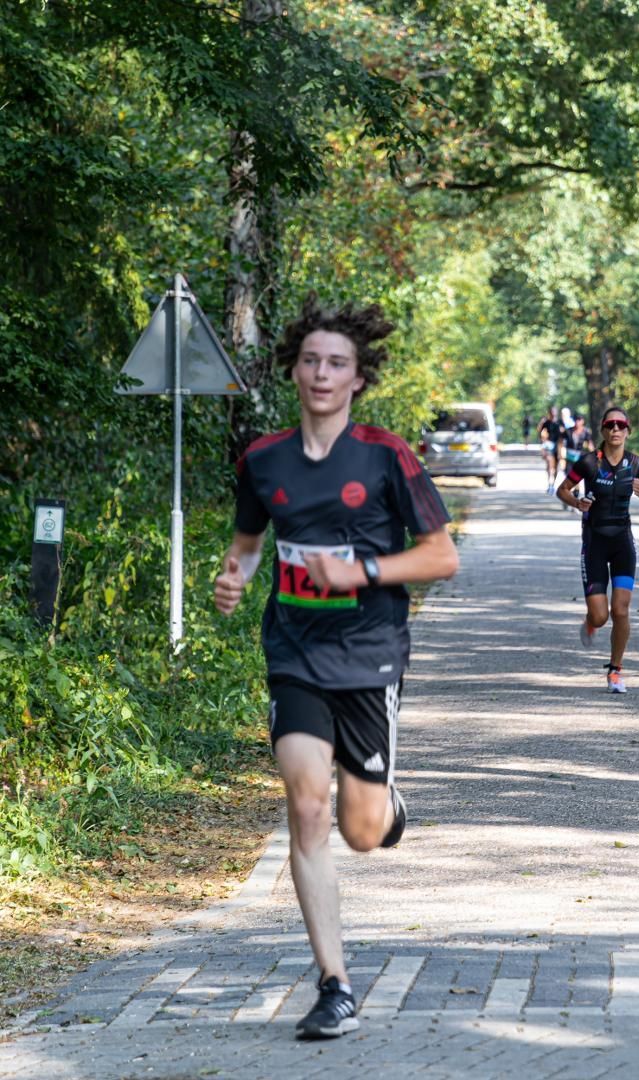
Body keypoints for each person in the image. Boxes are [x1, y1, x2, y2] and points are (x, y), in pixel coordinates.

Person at [214, 295, 459, 1040]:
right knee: (306, 808)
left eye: (337, 364)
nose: (322, 373)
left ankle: (384, 805)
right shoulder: (264, 459)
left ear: (357, 379)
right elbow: (248, 543)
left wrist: (363, 571)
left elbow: (441, 556)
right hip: (294, 652)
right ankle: (335, 984)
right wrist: (233, 576)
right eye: (311, 361)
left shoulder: (385, 456)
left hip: (369, 654)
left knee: (361, 830)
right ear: (294, 370)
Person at [556, 406, 639, 693]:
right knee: (601, 616)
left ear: (628, 431)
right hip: (594, 544)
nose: (615, 429)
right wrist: (577, 503)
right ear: (603, 429)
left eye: (621, 425)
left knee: (621, 610)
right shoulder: (589, 462)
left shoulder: (637, 464)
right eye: (610, 425)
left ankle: (615, 671)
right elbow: (563, 490)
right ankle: (591, 621)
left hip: (622, 544)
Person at [536, 405, 564, 495]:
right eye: (552, 411)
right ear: (549, 412)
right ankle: (549, 483)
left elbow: (565, 434)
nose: (553, 413)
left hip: (558, 446)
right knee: (549, 463)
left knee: (556, 467)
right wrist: (543, 443)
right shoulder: (546, 422)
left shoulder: (560, 422)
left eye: (554, 411)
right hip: (549, 446)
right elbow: (540, 433)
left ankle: (553, 484)